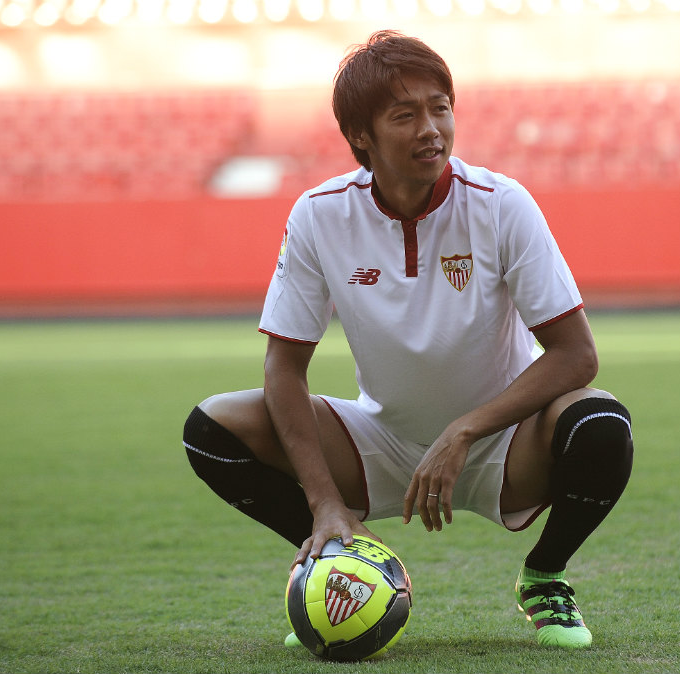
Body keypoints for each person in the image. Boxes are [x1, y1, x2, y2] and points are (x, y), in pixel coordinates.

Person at [183, 30, 634, 650]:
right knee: (213, 428)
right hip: (383, 441)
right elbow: (284, 369)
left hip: (504, 443)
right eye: (406, 114)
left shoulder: (502, 204)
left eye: (440, 107)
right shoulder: (320, 215)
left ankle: (545, 576)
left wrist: (465, 430)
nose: (431, 128)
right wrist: (322, 502)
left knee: (601, 424)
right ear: (361, 135)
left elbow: (577, 355)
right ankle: (338, 565)